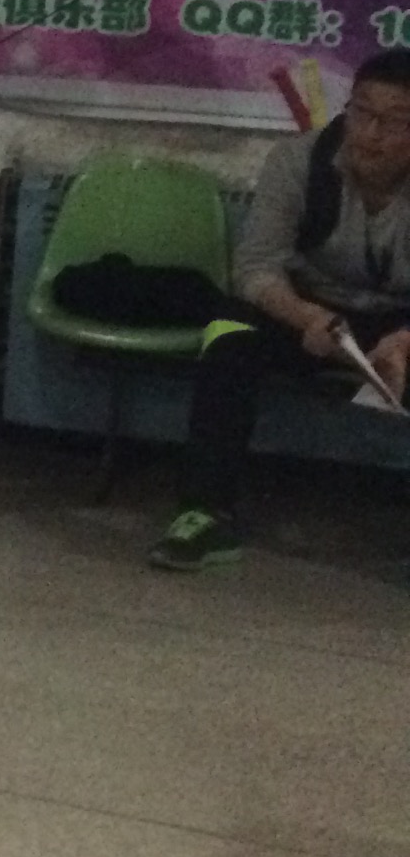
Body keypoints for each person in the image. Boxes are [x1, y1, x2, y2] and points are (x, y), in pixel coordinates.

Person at [151, 54, 410, 573]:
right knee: (229, 329)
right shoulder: (298, 161)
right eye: (361, 113)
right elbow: (255, 267)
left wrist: (405, 340)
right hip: (309, 311)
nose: (371, 135)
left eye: (395, 121)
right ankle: (205, 511)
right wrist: (305, 317)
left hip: (397, 326)